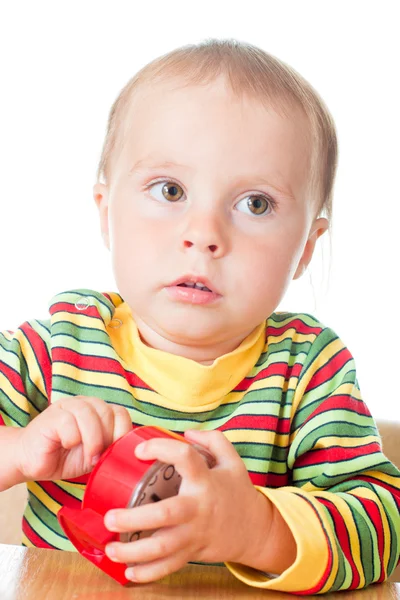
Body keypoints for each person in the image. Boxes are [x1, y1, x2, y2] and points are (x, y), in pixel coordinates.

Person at [0, 38, 399, 593]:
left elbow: (383, 528)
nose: (204, 235)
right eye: (170, 190)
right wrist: (17, 451)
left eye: (255, 203)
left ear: (306, 246)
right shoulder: (51, 351)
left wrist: (254, 529)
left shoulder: (308, 372)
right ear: (107, 214)